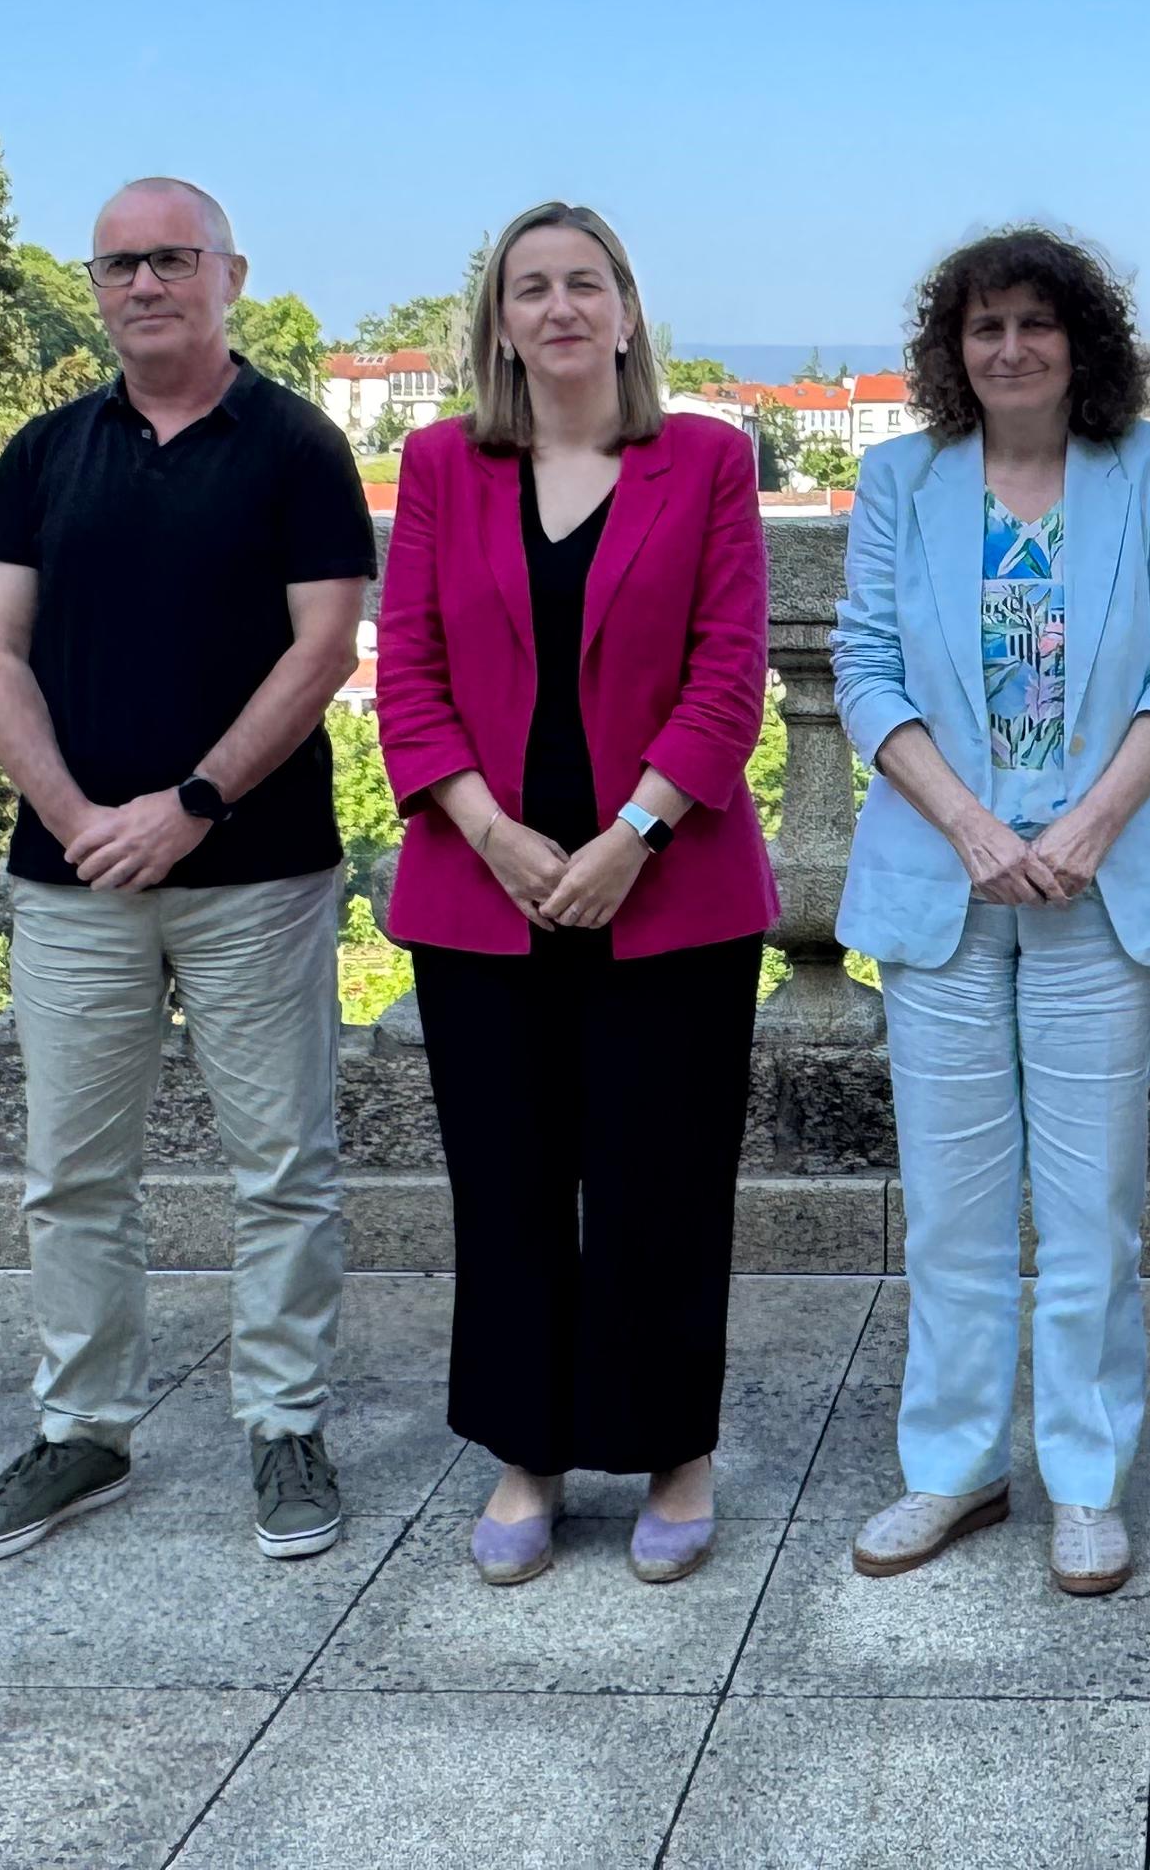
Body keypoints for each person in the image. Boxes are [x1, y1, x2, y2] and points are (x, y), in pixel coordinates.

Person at [0, 180, 376, 1568]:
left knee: (284, 1166)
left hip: (256, 869)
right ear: (96, 285)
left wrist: (187, 806)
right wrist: (78, 814)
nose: (146, 284)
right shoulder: (42, 452)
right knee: (72, 1172)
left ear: (228, 274)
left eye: (172, 259)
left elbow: (321, 653)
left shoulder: (299, 448)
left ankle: (286, 1422)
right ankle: (84, 1428)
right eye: (121, 263)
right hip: (72, 876)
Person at [377, 201, 773, 1585]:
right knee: (510, 1185)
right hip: (482, 892)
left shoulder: (709, 461)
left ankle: (677, 1451)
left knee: (664, 1184)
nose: (558, 308)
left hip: (668, 890)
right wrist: (491, 833)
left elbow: (731, 674)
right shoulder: (438, 466)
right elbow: (409, 679)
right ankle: (525, 1450)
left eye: (583, 285)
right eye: (530, 288)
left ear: (624, 310)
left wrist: (629, 839)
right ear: (498, 320)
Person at [832, 227, 1150, 1601]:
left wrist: (1094, 822)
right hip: (948, 874)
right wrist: (975, 827)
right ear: (954, 349)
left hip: (1099, 882)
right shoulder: (901, 481)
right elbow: (865, 668)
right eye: (985, 327)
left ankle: (1087, 1477)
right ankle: (950, 1464)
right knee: (951, 1208)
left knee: (1093, 1203)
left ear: (1082, 342)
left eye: (1036, 325)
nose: (1010, 349)